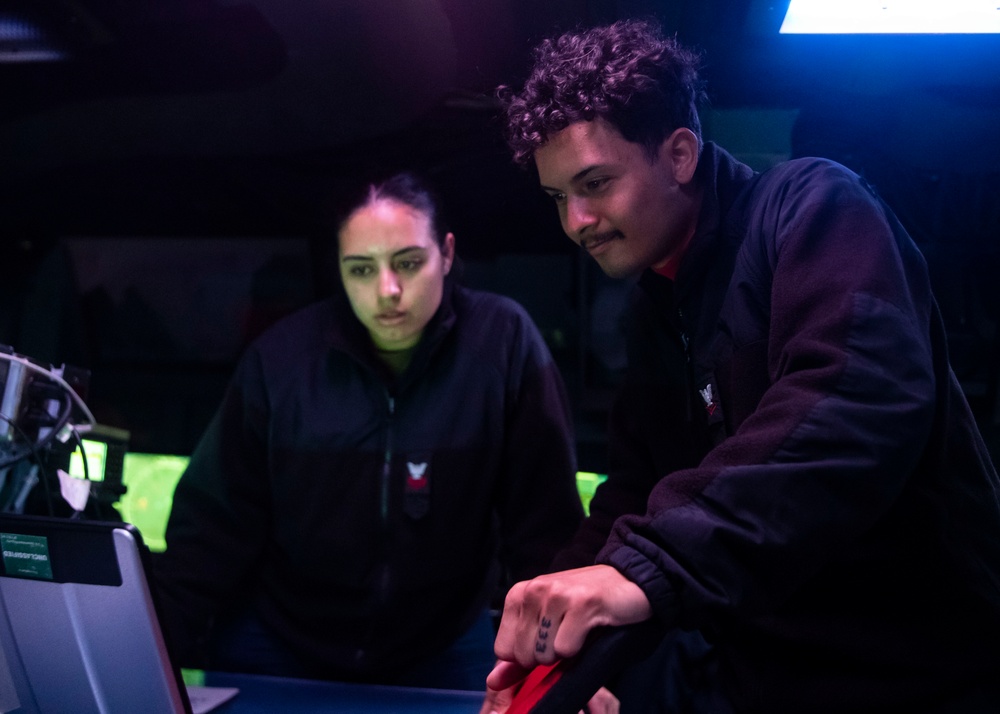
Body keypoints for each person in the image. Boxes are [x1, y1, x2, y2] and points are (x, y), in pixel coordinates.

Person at [484, 19, 1000, 713]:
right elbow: (639, 488)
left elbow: (855, 403)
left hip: (921, 678)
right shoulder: (657, 307)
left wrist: (643, 569)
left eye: (596, 183)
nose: (576, 220)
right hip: (765, 679)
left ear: (679, 154)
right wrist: (566, 651)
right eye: (558, 199)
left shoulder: (812, 207)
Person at [152, 172, 583, 690]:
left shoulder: (503, 343)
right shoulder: (280, 361)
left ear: (445, 254)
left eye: (408, 262)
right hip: (279, 639)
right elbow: (210, 533)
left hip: (445, 643)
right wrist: (153, 658)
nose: (388, 291)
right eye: (361, 269)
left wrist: (564, 670)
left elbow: (544, 528)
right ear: (338, 268)